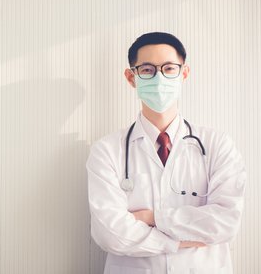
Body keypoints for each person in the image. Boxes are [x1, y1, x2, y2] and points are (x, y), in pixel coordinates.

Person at [86, 32, 246, 274]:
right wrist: (177, 242)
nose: (159, 78)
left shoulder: (217, 145)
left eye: (169, 68)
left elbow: (225, 223)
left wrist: (151, 218)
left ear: (184, 74)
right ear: (131, 77)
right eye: (148, 69)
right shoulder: (106, 151)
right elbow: (110, 234)